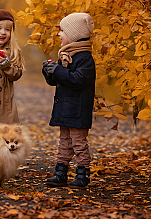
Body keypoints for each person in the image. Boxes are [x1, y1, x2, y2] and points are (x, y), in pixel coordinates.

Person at [42, 12, 96, 188]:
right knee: (64, 142)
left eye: (62, 31)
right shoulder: (65, 54)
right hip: (65, 109)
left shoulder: (84, 58)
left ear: (73, 35)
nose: (59, 34)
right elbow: (58, 81)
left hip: (78, 109)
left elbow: (78, 80)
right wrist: (49, 71)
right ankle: (61, 172)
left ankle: (83, 174)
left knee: (78, 143)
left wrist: (57, 70)